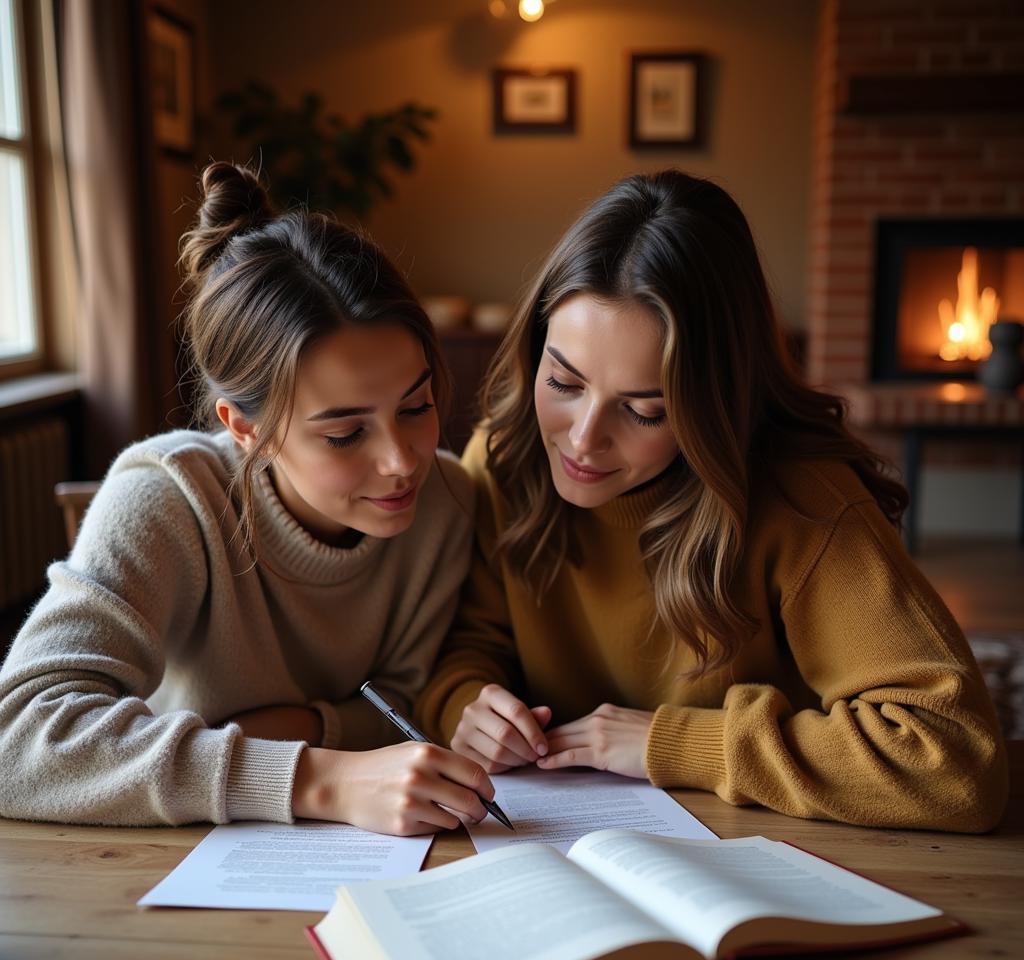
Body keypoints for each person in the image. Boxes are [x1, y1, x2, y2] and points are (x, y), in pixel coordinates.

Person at [416, 170, 1008, 833]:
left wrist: (673, 744)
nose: (582, 440)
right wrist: (467, 704)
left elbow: (954, 760)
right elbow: (464, 646)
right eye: (564, 381)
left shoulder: (804, 500)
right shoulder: (504, 458)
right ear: (534, 354)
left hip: (777, 847)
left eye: (643, 412)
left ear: (713, 406)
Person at [0, 161, 495, 835]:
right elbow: (18, 739)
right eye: (346, 433)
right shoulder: (169, 497)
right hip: (168, 857)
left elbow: (401, 703)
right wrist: (312, 776)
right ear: (244, 428)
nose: (402, 461)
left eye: (417, 406)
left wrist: (294, 726)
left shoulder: (448, 501)